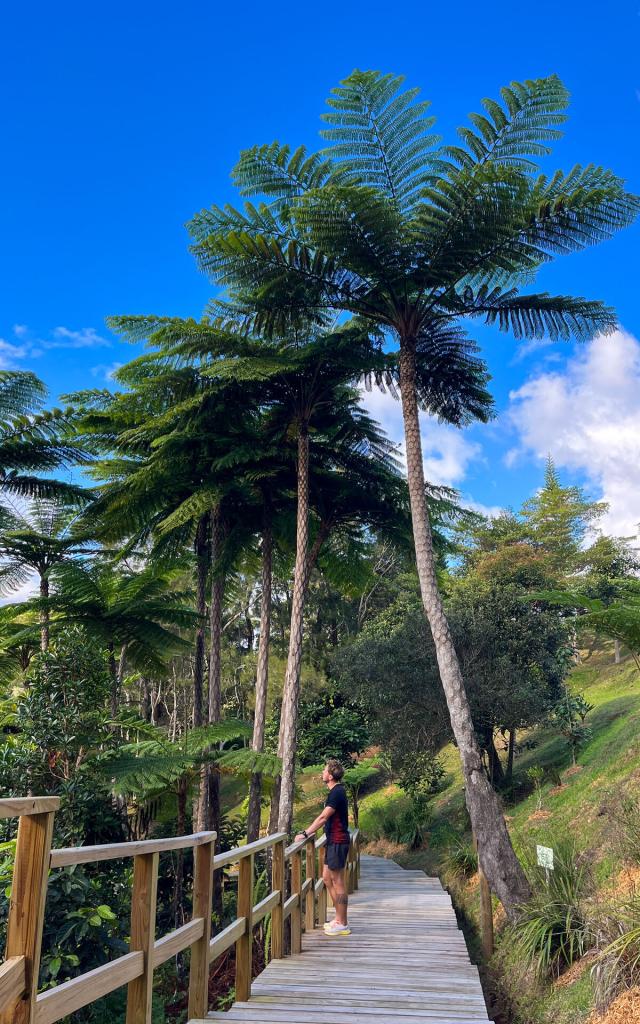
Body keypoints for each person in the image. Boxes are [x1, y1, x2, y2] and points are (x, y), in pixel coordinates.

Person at [294, 758, 351, 936]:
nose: (322, 773)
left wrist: (305, 833)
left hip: (338, 840)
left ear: (331, 775)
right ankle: (339, 918)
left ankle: (343, 923)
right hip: (333, 840)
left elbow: (323, 817)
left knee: (338, 881)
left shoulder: (337, 793)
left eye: (325, 770)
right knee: (326, 878)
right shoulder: (335, 791)